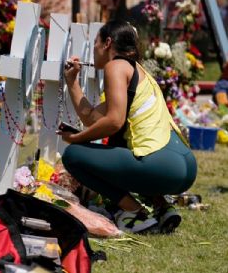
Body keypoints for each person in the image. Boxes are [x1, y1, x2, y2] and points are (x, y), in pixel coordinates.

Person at [57, 20, 197, 234]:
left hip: (164, 165)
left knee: (73, 156)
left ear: (108, 43)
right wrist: (72, 83)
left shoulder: (116, 66)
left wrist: (77, 139)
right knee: (124, 151)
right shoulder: (137, 71)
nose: (93, 49)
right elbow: (93, 118)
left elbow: (114, 121)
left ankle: (134, 213)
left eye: (96, 43)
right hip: (184, 165)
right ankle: (162, 206)